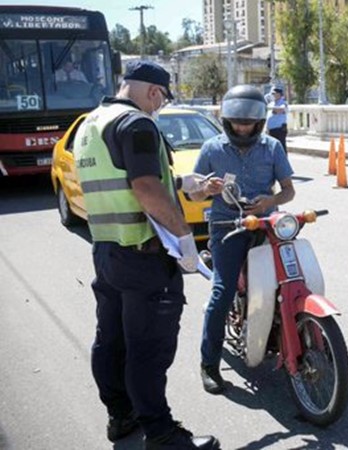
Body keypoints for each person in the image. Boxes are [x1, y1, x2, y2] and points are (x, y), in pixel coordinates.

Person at [74, 60, 220, 450]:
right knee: (148, 349)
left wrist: (183, 183)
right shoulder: (138, 123)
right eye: (160, 100)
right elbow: (144, 188)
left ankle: (120, 417)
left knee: (112, 340)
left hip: (107, 250)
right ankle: (161, 433)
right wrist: (186, 239)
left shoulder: (92, 124)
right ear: (154, 92)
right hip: (144, 257)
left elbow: (125, 180)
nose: (158, 108)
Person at [189, 84, 295, 394]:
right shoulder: (212, 149)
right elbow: (193, 192)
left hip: (265, 224)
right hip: (226, 226)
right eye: (238, 121)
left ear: (260, 122)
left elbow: (288, 190)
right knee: (222, 291)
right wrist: (205, 189)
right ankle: (208, 363)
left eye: (249, 122)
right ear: (227, 120)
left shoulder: (272, 148)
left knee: (287, 280)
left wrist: (268, 201)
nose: (243, 127)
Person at [264, 85, 288, 152]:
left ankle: (283, 161)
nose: (273, 95)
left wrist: (270, 108)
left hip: (279, 129)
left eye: (274, 94)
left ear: (279, 94)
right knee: (271, 148)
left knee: (281, 147)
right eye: (272, 94)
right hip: (271, 130)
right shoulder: (271, 103)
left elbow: (281, 109)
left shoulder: (283, 103)